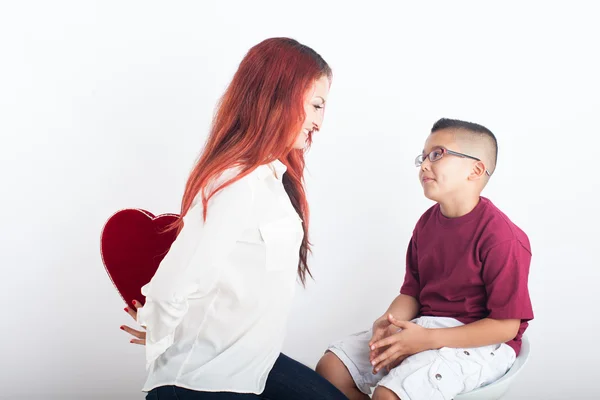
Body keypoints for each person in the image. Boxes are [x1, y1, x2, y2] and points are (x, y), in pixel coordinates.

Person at [119, 37, 348, 400]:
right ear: (277, 97)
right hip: (203, 380)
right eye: (316, 105)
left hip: (253, 363)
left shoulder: (274, 180)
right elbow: (174, 281)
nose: (320, 122)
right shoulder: (235, 183)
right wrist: (158, 327)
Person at [316, 118, 534, 400]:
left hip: (482, 341)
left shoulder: (502, 238)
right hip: (427, 326)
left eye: (437, 154)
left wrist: (427, 340)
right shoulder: (426, 224)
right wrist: (389, 321)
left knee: (388, 395)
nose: (424, 165)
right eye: (423, 156)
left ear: (476, 169)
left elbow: (506, 326)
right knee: (331, 369)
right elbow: (412, 292)